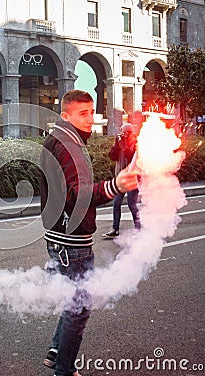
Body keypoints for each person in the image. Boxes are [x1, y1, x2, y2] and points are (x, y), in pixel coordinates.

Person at [40, 90, 138, 376]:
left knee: (73, 299)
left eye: (91, 112)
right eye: (81, 113)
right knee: (79, 307)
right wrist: (114, 187)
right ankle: (65, 370)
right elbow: (76, 195)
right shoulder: (69, 145)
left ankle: (57, 351)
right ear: (65, 116)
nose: (89, 119)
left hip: (60, 236)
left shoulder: (60, 140)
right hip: (71, 242)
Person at [102, 123, 140, 239]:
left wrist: (125, 146)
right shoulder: (119, 142)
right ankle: (115, 228)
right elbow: (112, 156)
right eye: (123, 132)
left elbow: (132, 158)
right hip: (120, 179)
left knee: (131, 204)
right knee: (116, 203)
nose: (124, 135)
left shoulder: (136, 144)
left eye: (126, 133)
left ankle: (139, 228)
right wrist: (116, 145)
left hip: (132, 179)